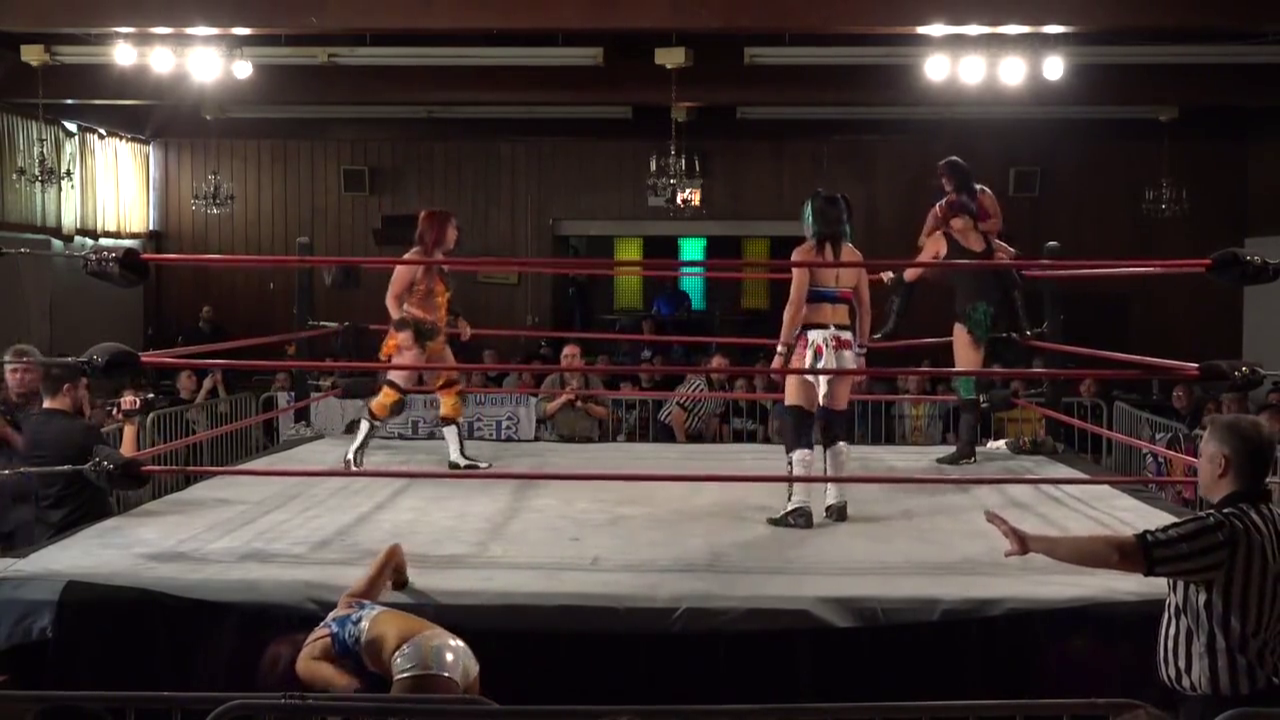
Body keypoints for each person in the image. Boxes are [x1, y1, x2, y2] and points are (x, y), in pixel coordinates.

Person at [986, 413, 1280, 720]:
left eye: (1202, 455)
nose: (1196, 464)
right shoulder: (1273, 520)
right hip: (1256, 695)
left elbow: (1120, 553)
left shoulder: (1220, 532)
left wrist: (1032, 542)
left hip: (1215, 706)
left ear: (1220, 465)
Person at [344, 209, 490, 471]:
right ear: (438, 230)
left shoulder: (441, 261)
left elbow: (439, 300)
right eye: (452, 228)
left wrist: (458, 318)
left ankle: (457, 455)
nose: (456, 233)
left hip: (436, 334)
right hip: (413, 331)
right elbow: (391, 297)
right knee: (392, 396)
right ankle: (353, 452)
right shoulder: (413, 259)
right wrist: (402, 329)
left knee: (451, 389)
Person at [767, 191, 871, 529]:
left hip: (812, 340)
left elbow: (795, 306)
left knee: (797, 417)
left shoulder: (805, 253)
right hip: (843, 341)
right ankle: (836, 500)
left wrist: (780, 352)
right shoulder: (855, 257)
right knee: (835, 419)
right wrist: (861, 352)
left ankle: (799, 505)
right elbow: (865, 309)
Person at [258, 543, 481, 696]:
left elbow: (352, 690)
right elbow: (393, 552)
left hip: (419, 657)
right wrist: (400, 579)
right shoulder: (349, 602)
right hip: (460, 651)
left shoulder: (305, 661)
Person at [878, 196, 1001, 465]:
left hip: (969, 314)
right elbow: (1009, 255)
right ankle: (970, 441)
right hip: (989, 311)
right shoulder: (985, 240)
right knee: (970, 378)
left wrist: (892, 280)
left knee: (965, 381)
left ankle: (966, 447)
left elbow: (912, 273)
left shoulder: (941, 238)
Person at [875, 156, 1032, 340]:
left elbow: (997, 224)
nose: (944, 181)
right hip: (955, 258)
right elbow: (922, 238)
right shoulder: (942, 207)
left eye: (947, 176)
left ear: (959, 175)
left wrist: (972, 227)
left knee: (1003, 263)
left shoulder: (981, 194)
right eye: (942, 177)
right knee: (914, 271)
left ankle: (1022, 324)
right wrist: (941, 240)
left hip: (984, 251)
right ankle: (892, 326)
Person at [20, 360, 143, 545]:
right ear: (68, 390)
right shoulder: (81, 431)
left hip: (44, 536)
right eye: (83, 388)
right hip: (84, 532)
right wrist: (131, 423)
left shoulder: (25, 425)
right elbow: (124, 469)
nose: (86, 394)